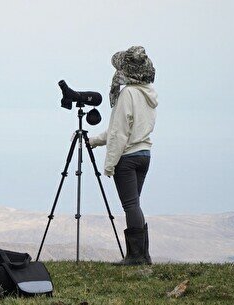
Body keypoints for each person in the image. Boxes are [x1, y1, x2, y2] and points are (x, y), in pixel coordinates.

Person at [89, 46, 158, 265]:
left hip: (127, 157)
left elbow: (119, 132)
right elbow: (119, 131)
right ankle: (142, 255)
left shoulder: (127, 93)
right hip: (144, 154)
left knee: (130, 205)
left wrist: (109, 164)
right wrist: (94, 141)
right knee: (135, 204)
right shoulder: (147, 94)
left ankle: (136, 256)